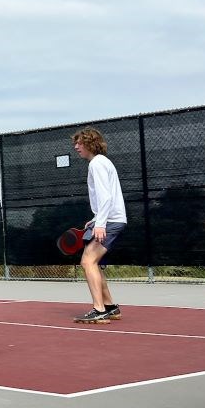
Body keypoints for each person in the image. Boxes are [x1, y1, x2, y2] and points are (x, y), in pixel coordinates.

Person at [72, 127, 127, 324]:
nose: (76, 147)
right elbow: (106, 198)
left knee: (87, 262)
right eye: (75, 144)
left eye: (79, 143)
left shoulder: (97, 164)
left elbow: (106, 197)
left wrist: (101, 223)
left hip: (110, 221)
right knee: (93, 263)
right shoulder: (102, 163)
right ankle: (110, 307)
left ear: (90, 143)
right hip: (110, 219)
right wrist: (96, 219)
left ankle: (99, 309)